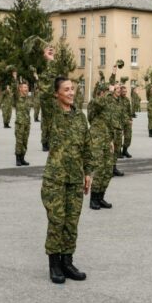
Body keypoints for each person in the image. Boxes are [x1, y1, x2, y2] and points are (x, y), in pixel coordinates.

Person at [38, 46, 93, 284]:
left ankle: (68, 261)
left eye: (73, 89)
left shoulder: (80, 116)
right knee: (57, 221)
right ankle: (54, 264)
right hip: (55, 179)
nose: (72, 92)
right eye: (67, 89)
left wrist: (89, 172)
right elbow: (43, 90)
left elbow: (87, 146)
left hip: (74, 178)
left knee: (72, 221)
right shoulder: (52, 112)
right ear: (57, 94)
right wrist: (49, 63)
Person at [88, 82, 114, 210]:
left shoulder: (106, 105)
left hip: (106, 139)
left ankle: (101, 196)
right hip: (97, 140)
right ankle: (93, 199)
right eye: (107, 92)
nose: (110, 94)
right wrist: (108, 91)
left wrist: (111, 140)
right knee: (98, 169)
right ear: (101, 92)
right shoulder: (95, 103)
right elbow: (99, 102)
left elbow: (108, 124)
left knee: (108, 169)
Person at [14, 78, 32, 166]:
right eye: (24, 87)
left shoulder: (28, 99)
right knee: (19, 141)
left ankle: (22, 158)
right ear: (20, 88)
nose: (26, 89)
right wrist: (15, 78)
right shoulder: (17, 97)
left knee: (25, 141)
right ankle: (17, 158)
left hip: (27, 123)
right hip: (20, 124)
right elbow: (14, 88)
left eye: (27, 87)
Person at [119, 84, 133, 158]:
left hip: (127, 121)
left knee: (128, 136)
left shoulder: (127, 100)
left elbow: (129, 111)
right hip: (119, 121)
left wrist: (131, 120)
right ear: (120, 91)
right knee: (119, 137)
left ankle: (125, 150)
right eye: (123, 91)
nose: (125, 93)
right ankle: (118, 152)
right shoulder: (117, 99)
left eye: (126, 91)